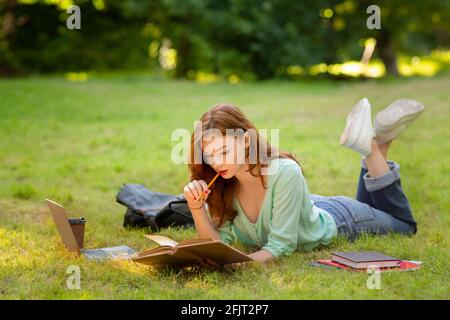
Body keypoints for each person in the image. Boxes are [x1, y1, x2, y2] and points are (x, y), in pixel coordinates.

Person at [183, 99, 424, 263]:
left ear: (246, 140)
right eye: (210, 154)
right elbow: (218, 244)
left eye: (224, 151)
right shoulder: (225, 183)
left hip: (344, 219)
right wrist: (196, 209)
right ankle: (379, 141)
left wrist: (236, 265)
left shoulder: (284, 172)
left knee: (404, 225)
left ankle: (373, 147)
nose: (216, 162)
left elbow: (279, 247)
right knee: (380, 210)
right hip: (307, 207)